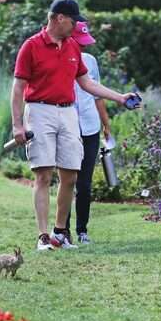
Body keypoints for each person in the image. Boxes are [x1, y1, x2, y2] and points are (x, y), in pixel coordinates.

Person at [11, 0, 139, 251]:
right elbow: (18, 87)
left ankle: (61, 233)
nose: (75, 27)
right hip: (40, 111)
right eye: (73, 21)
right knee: (44, 174)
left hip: (69, 113)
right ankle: (43, 236)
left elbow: (87, 83)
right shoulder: (31, 46)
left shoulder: (72, 47)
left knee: (70, 174)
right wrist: (17, 125)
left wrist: (119, 97)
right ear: (60, 18)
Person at [65, 21, 110, 244]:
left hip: (90, 127)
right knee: (67, 181)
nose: (82, 47)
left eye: (85, 43)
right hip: (67, 126)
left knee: (84, 184)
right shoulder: (60, 58)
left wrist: (106, 124)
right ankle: (62, 231)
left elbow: (97, 94)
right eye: (79, 43)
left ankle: (82, 231)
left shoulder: (90, 61)